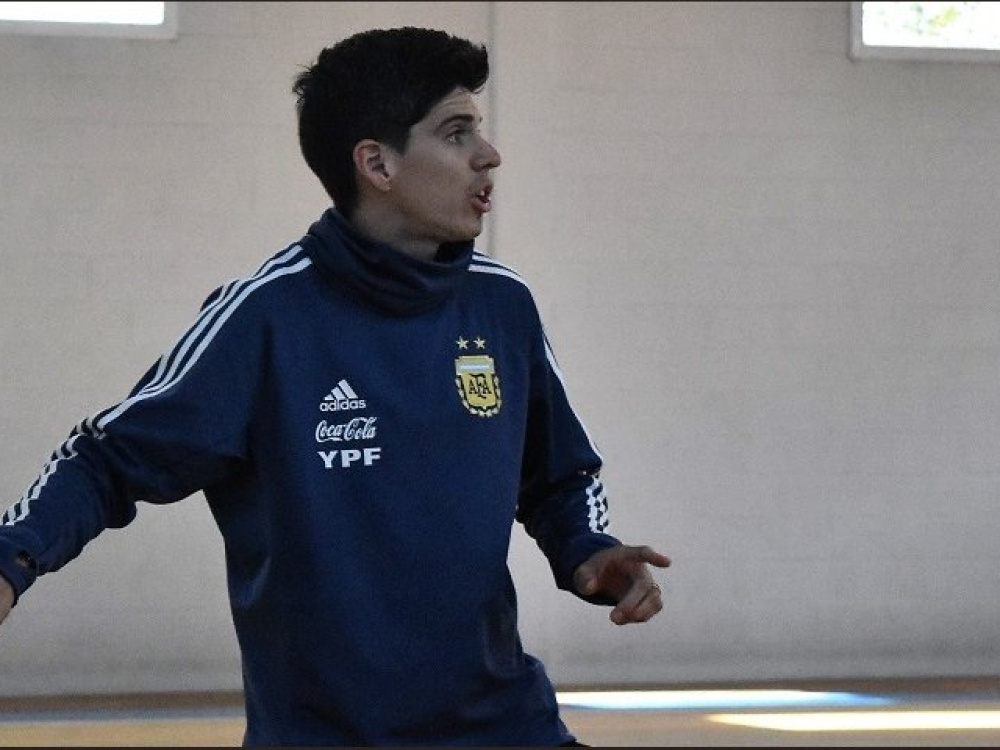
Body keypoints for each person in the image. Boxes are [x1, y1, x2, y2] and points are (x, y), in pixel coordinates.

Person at [0, 26, 670, 746]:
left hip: (507, 725)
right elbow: (105, 460)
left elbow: (560, 475)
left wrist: (587, 548)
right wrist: (12, 559)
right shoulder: (265, 318)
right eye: (456, 133)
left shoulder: (503, 305)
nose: (489, 153)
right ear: (377, 163)